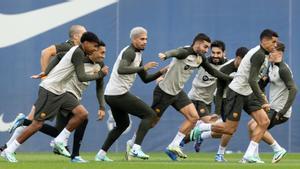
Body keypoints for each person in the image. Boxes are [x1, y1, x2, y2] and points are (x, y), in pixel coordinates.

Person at [1, 32, 104, 163]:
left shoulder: (80, 52)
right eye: (94, 46)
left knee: (82, 114)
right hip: (50, 90)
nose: (96, 49)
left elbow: (58, 57)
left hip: (61, 91)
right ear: (86, 43)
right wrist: (100, 74)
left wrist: (46, 72)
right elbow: (81, 77)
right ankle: (9, 150)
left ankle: (59, 140)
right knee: (37, 124)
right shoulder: (77, 52)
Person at [129, 33, 231, 160]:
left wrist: (229, 78)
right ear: (198, 44)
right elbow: (176, 52)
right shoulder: (185, 52)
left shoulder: (200, 58)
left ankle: (174, 145)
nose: (206, 50)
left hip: (178, 92)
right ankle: (133, 144)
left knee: (193, 117)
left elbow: (214, 71)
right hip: (164, 92)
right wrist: (165, 55)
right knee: (152, 121)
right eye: (205, 47)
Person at [191, 29, 279, 163]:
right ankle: (202, 128)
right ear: (264, 41)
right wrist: (263, 100)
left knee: (263, 122)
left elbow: (253, 81)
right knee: (229, 129)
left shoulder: (263, 55)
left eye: (276, 42)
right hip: (234, 94)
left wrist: (261, 95)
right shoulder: (256, 56)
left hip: (246, 93)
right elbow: (247, 82)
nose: (275, 45)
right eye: (273, 42)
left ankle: (251, 155)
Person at [95, 27, 165, 161]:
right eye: (142, 39)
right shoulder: (130, 52)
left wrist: (161, 72)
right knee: (150, 115)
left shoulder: (138, 54)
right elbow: (122, 69)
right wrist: (143, 67)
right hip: (117, 94)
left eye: (146, 39)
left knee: (122, 125)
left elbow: (145, 79)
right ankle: (136, 148)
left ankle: (101, 154)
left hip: (112, 94)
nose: (145, 41)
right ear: (133, 40)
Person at [247, 42, 297, 163]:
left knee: (255, 126)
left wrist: (283, 111)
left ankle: (278, 149)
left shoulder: (283, 69)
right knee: (251, 125)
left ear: (279, 53)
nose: (269, 53)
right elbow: (262, 84)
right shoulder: (271, 66)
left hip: (280, 111)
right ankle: (255, 156)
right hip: (272, 107)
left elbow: (294, 89)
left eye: (272, 51)